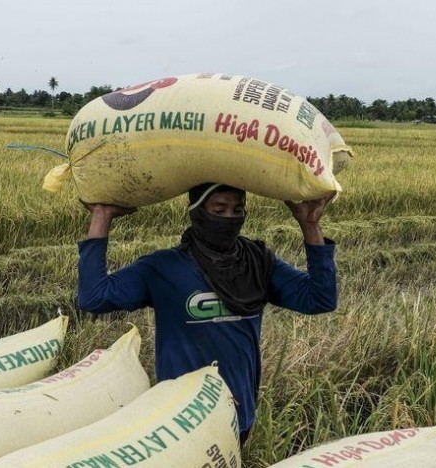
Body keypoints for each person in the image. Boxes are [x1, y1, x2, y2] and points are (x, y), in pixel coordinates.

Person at [77, 183, 337, 444]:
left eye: (238, 210)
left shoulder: (258, 264)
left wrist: (309, 226)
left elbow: (319, 299)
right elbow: (94, 297)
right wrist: (102, 217)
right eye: (219, 209)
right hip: (179, 419)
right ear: (197, 211)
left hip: (238, 415)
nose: (229, 219)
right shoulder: (164, 267)